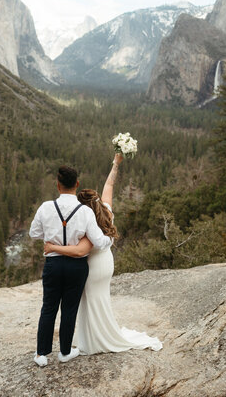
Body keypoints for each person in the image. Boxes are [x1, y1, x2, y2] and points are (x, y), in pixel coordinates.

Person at [44, 154, 163, 355]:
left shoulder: (88, 225)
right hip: (106, 264)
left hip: (92, 268)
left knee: (88, 300)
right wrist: (116, 163)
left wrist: (53, 248)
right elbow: (109, 186)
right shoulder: (106, 212)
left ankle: (92, 341)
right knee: (100, 299)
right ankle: (98, 333)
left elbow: (81, 251)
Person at [29, 165, 112, 367]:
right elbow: (99, 242)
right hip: (76, 266)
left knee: (48, 307)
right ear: (77, 184)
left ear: (57, 185)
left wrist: (52, 240)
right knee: (69, 308)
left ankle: (41, 354)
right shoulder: (85, 212)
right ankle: (65, 352)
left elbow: (34, 233)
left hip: (54, 263)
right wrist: (110, 238)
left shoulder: (45, 207)